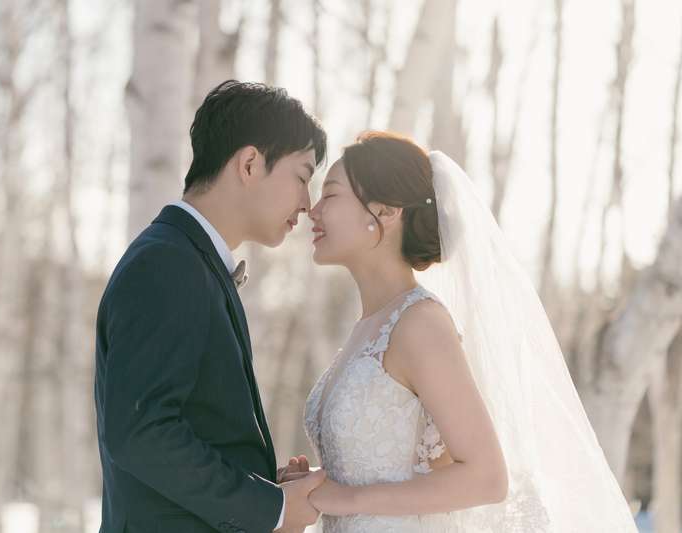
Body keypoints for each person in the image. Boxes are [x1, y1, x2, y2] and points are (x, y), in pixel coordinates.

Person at [300, 131, 638, 532]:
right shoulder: (369, 326)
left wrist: (348, 499)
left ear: (386, 212)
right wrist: (317, 484)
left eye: (330, 195)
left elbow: (487, 478)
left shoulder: (419, 323)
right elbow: (391, 464)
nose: (312, 210)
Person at [94, 80, 328, 533]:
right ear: (250, 163)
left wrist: (265, 486)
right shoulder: (168, 263)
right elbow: (141, 433)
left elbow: (187, 430)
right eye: (302, 177)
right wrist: (271, 510)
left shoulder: (188, 261)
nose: (307, 203)